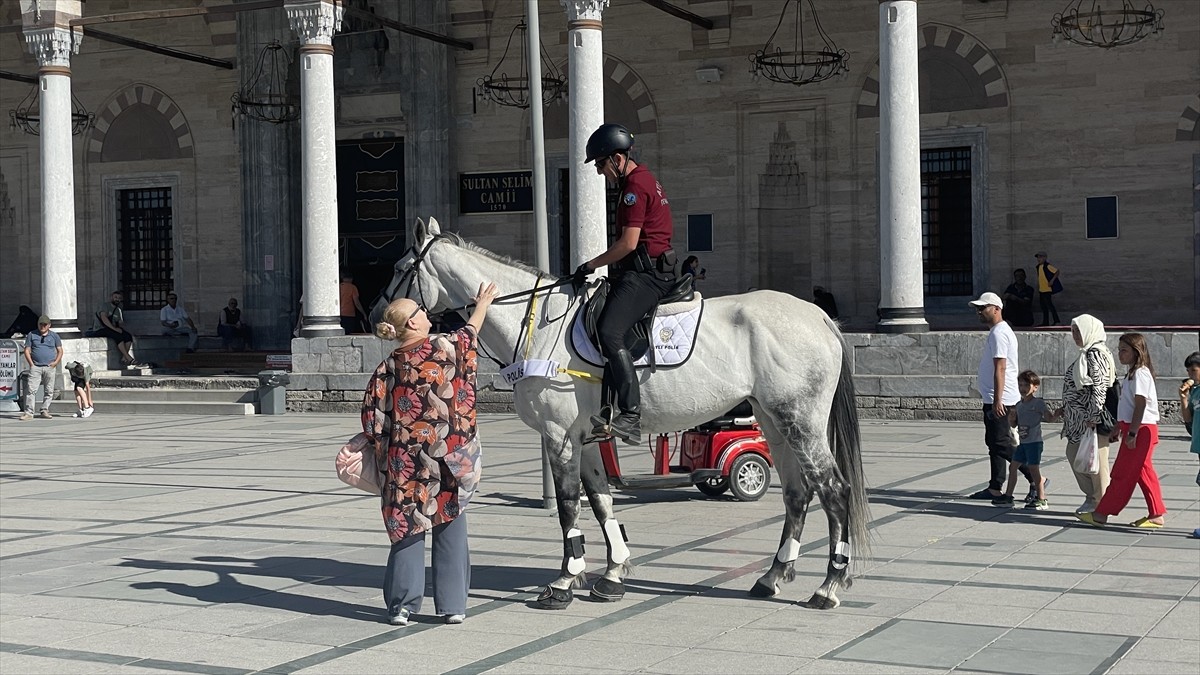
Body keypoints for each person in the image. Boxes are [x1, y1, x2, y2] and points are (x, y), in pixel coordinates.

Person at [363, 282, 498, 627]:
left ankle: (402, 606)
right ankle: (452, 605)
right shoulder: (441, 348)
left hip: (402, 460)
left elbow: (372, 418)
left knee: (407, 527)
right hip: (447, 455)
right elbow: (469, 335)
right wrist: (482, 304)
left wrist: (386, 451)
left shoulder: (386, 367)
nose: (426, 313)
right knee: (449, 520)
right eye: (420, 311)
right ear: (412, 323)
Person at [572, 122, 677, 443]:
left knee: (609, 331)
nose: (601, 173)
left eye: (602, 165)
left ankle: (630, 415)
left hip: (647, 276)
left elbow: (628, 244)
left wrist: (590, 265)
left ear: (617, 159)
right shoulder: (642, 179)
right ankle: (605, 412)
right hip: (643, 271)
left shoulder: (634, 190)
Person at [1077, 333, 1164, 528]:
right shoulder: (1132, 374)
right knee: (1143, 472)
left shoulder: (1140, 373)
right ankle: (1156, 513)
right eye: (1119, 350)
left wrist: (1132, 433)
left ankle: (1102, 513)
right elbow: (1130, 405)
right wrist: (1119, 426)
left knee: (1122, 473)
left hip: (1141, 430)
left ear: (1136, 351)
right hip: (1135, 428)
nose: (1119, 354)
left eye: (1124, 350)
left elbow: (1141, 405)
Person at [966, 292, 1034, 500]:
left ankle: (1035, 477)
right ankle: (995, 486)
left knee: (1001, 443)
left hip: (1001, 400)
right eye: (977, 308)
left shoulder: (999, 333)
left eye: (983, 308)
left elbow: (1001, 368)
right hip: (996, 398)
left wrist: (997, 399)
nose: (979, 312)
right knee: (994, 442)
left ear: (996, 309)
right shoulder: (998, 331)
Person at [1050, 314, 1115, 514]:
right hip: (1078, 421)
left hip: (1089, 422)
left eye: (1079, 330)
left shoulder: (1096, 353)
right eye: (1073, 330)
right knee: (1078, 456)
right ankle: (1093, 498)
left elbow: (1100, 386)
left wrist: (1093, 417)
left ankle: (1100, 504)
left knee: (1097, 464)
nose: (1075, 334)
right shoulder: (1086, 353)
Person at [993, 370, 1051, 509]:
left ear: (1035, 387)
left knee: (1033, 469)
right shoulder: (1019, 405)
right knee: (1013, 467)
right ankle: (1008, 496)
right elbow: (1014, 424)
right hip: (1023, 443)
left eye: (1026, 385)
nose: (1023, 388)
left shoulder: (1038, 403)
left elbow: (1049, 418)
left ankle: (1042, 498)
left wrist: (1057, 414)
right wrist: (1011, 418)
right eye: (1020, 385)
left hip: (1034, 443)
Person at [19, 315, 62, 420]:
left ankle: (45, 409)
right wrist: (31, 364)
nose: (42, 326)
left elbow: (60, 350)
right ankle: (29, 412)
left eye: (45, 325)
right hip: (36, 366)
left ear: (49, 325)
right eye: (40, 324)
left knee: (49, 390)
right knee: (31, 389)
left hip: (49, 366)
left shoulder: (54, 336)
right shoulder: (31, 334)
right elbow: (27, 350)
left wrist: (55, 362)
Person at [87, 291, 138, 366]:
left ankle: (124, 358)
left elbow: (120, 322)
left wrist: (122, 329)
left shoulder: (118, 310)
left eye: (119, 298)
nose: (117, 299)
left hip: (112, 329)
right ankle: (129, 358)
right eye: (115, 297)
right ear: (111, 297)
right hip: (100, 329)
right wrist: (115, 329)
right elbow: (104, 319)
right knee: (118, 336)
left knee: (128, 336)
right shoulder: (104, 306)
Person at [1179, 352, 1200, 538]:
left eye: (1194, 370)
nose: (1190, 374)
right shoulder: (1194, 391)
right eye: (1188, 370)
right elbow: (1188, 420)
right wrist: (1183, 398)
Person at [1034, 252, 1061, 326]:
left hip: (1047, 289)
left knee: (1050, 306)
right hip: (1041, 289)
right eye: (1038, 257)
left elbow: (1057, 271)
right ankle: (1045, 322)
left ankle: (1057, 320)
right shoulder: (1038, 267)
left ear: (1045, 258)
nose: (1039, 259)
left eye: (1040, 257)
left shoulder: (1047, 266)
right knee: (1043, 307)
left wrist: (1052, 280)